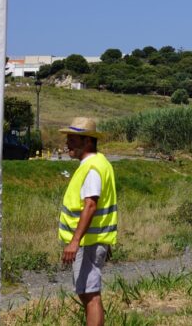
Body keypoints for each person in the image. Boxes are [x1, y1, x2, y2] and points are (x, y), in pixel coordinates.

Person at [58, 117, 118, 326]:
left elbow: (90, 205)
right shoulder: (99, 163)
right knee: (87, 292)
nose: (68, 144)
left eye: (73, 139)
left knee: (90, 295)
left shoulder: (92, 168)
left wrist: (74, 241)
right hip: (93, 240)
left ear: (88, 142)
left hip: (88, 242)